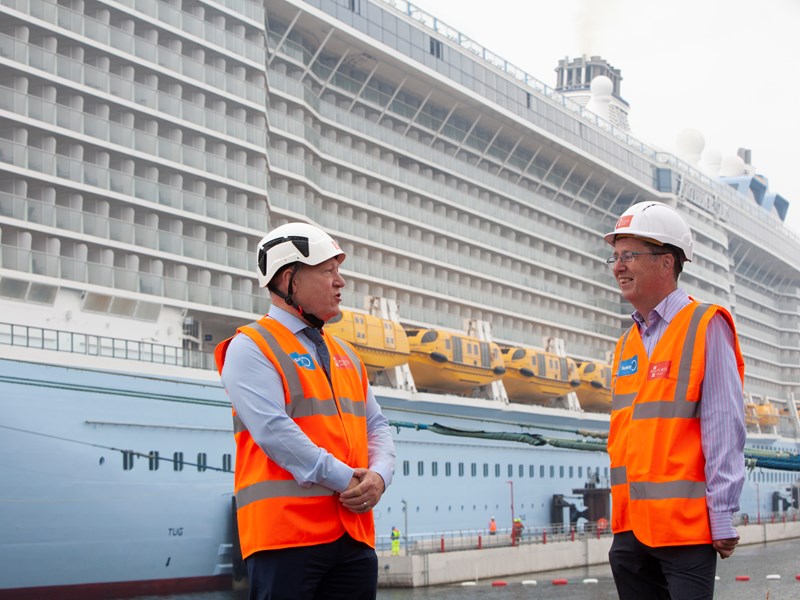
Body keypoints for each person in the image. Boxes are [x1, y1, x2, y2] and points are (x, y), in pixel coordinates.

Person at [215, 222, 396, 600]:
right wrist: (348, 480)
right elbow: (274, 433)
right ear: (289, 279)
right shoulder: (250, 347)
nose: (340, 282)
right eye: (328, 271)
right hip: (286, 538)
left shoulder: (347, 353)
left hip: (355, 535)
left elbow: (376, 425)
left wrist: (379, 476)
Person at [603, 201, 746, 600]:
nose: (618, 267)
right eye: (614, 257)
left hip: (684, 532)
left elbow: (723, 424)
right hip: (630, 533)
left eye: (629, 255)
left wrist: (720, 515)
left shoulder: (706, 324)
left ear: (667, 263)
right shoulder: (626, 343)